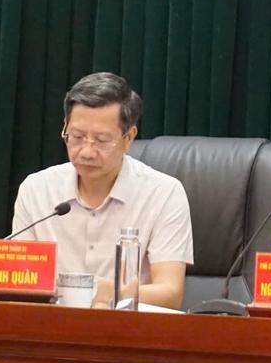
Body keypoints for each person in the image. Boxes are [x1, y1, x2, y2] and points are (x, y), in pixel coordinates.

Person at [13, 72, 194, 309]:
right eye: (77, 137)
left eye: (101, 140)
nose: (86, 152)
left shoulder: (164, 194)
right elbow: (19, 285)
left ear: (129, 138)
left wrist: (96, 290)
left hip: (128, 328)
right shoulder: (36, 190)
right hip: (52, 326)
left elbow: (170, 294)